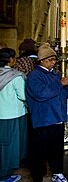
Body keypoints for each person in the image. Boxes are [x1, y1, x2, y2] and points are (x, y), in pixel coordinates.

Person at [26, 43, 68, 182]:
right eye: (51, 60)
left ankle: (57, 173)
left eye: (55, 60)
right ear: (42, 60)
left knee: (56, 150)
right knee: (40, 152)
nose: (54, 63)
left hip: (57, 117)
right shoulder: (34, 76)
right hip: (44, 120)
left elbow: (64, 94)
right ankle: (38, 177)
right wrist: (60, 84)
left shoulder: (55, 74)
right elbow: (40, 94)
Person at [0, 48, 27, 182]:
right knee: (10, 146)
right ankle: (4, 175)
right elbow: (23, 96)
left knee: (2, 144)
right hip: (13, 115)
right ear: (10, 60)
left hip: (1, 115)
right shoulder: (15, 76)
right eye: (14, 58)